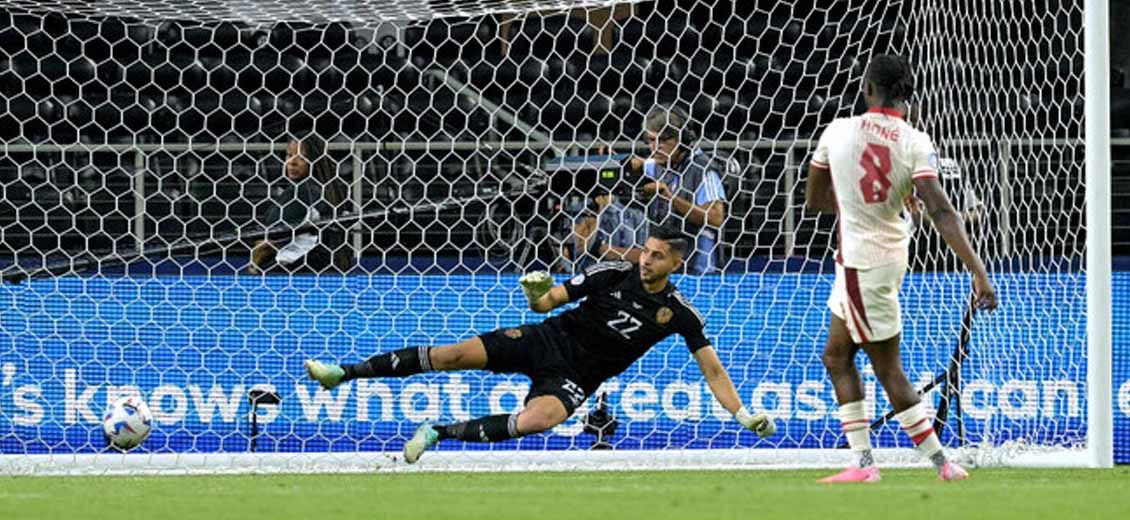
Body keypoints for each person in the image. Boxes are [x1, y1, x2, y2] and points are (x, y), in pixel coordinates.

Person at [303, 227, 776, 464]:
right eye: (645, 251)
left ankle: (436, 433)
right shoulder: (611, 273)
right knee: (450, 355)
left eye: (657, 255)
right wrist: (535, 292)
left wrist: (742, 415)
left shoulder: (682, 313)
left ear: (676, 262)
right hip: (545, 338)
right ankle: (341, 373)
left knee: (539, 420)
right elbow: (547, 302)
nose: (646, 259)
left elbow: (712, 371)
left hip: (575, 376)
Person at [804, 54, 998, 483]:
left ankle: (940, 463)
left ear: (867, 89)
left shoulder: (837, 131)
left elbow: (815, 202)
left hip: (861, 263)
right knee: (836, 356)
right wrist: (978, 269)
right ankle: (864, 462)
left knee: (886, 368)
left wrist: (853, 201)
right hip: (885, 257)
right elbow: (943, 211)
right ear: (907, 93)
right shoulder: (915, 141)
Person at [600, 106, 728, 274]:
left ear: (682, 139)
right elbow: (637, 164)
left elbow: (715, 217)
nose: (656, 147)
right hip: (667, 269)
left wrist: (669, 196)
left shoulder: (703, 169)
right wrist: (615, 160)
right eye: (652, 140)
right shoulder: (659, 164)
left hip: (700, 272)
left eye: (663, 140)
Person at [249, 135, 353, 274]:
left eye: (301, 157)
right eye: (289, 155)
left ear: (315, 160)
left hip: (292, 272)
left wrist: (254, 264)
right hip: (326, 270)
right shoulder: (330, 190)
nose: (292, 162)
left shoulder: (303, 191)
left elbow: (266, 242)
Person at [558, 192, 647, 272]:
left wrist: (603, 249)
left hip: (623, 280)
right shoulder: (577, 211)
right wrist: (599, 211)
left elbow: (644, 256)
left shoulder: (635, 216)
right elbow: (575, 249)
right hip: (587, 278)